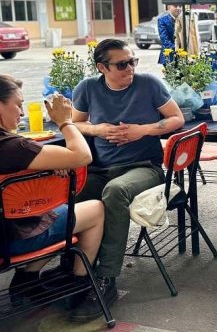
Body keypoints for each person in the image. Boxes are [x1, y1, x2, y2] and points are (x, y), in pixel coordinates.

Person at [70, 39, 184, 318]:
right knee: (70, 194)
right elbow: (75, 123)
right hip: (101, 168)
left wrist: (141, 131)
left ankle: (106, 278)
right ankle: (73, 271)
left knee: (115, 192)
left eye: (133, 61)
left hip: (144, 167)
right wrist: (97, 130)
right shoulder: (88, 88)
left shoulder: (148, 84)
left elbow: (176, 119)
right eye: (122, 64)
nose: (130, 68)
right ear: (102, 67)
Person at [0, 76, 106, 320]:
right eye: (18, 105)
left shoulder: (16, 148)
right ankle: (80, 285)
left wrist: (45, 164)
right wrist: (66, 122)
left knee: (53, 213)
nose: (22, 112)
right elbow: (82, 156)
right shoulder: (12, 148)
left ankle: (27, 280)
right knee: (94, 209)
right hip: (9, 241)